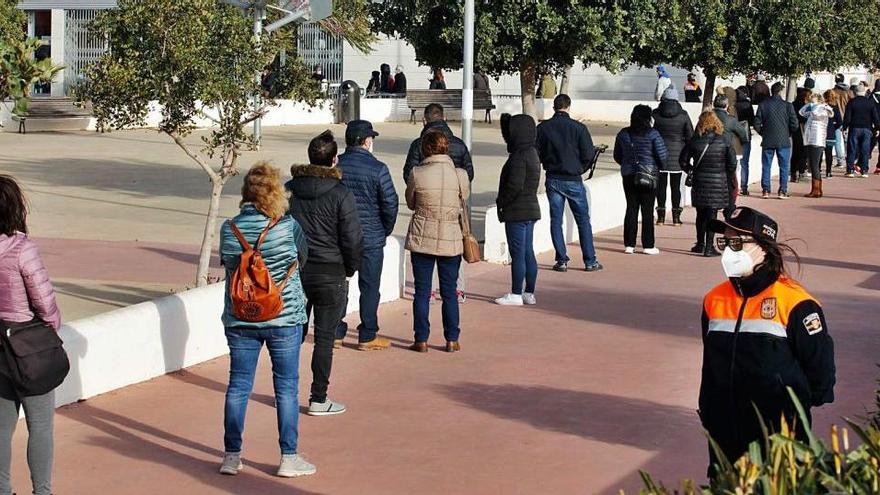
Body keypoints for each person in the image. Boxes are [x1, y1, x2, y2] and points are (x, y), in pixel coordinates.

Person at [699, 206, 835, 474]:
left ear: (763, 247)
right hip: (724, 431)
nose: (728, 250)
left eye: (736, 242)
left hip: (778, 435)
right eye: (724, 241)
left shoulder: (796, 303)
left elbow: (820, 369)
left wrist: (793, 412)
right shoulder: (713, 300)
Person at [219, 163, 314, 478]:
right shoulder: (287, 227)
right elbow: (302, 259)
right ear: (275, 193)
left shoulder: (229, 229)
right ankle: (288, 456)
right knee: (286, 387)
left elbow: (230, 265)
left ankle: (232, 456)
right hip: (283, 316)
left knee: (238, 385)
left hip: (241, 318)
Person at [287, 131, 363, 417]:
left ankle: (287, 391)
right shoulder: (341, 193)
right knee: (324, 338)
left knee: (293, 333)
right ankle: (318, 397)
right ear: (334, 159)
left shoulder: (289, 190)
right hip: (331, 273)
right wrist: (350, 268)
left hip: (297, 270)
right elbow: (353, 237)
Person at [0, 175, 61, 495]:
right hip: (27, 347)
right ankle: (42, 491)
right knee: (40, 426)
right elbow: (44, 300)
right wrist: (52, 330)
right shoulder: (22, 248)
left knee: (0, 427)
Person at [404, 131, 469, 353]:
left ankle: (421, 339)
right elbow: (465, 198)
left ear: (426, 149)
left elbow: (411, 202)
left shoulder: (417, 173)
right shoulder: (460, 175)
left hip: (423, 235)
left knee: (422, 292)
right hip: (450, 237)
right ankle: (452, 338)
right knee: (449, 291)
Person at [337, 120, 398, 351]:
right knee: (370, 286)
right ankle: (367, 334)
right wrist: (385, 229)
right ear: (366, 141)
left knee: (341, 282)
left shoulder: (337, 166)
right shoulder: (378, 169)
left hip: (342, 236)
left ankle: (336, 331)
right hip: (371, 237)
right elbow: (390, 203)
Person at [537, 94, 603, 271]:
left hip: (553, 177)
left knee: (555, 220)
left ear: (554, 107)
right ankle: (590, 260)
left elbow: (538, 152)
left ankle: (561, 260)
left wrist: (548, 163)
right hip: (573, 178)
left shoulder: (543, 128)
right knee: (583, 220)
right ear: (568, 106)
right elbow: (588, 154)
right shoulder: (579, 128)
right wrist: (579, 168)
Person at [494, 114, 541, 306]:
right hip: (530, 208)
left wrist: (502, 201)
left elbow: (514, 185)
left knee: (518, 253)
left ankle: (515, 293)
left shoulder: (518, 157)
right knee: (528, 251)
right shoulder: (532, 153)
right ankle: (528, 292)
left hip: (517, 210)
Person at [613, 104, 668, 255]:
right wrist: (658, 167)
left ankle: (629, 244)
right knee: (647, 209)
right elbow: (662, 155)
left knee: (631, 208)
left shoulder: (623, 134)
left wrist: (627, 164)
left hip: (629, 175)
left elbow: (617, 155)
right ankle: (648, 245)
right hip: (649, 175)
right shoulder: (653, 134)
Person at [681, 111, 736, 257]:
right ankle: (709, 247)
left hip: (700, 181)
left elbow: (683, 161)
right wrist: (725, 174)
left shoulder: (694, 141)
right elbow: (732, 163)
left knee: (700, 213)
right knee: (712, 214)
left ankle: (700, 244)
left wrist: (692, 170)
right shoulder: (724, 140)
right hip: (718, 182)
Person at [652, 86, 693, 226]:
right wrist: (688, 156)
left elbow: (650, 134)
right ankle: (676, 217)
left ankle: (661, 217)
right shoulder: (683, 115)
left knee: (661, 187)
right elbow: (690, 136)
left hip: (660, 155)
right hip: (678, 156)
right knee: (676, 187)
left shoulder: (655, 114)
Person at [404, 104, 475, 184]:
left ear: (424, 121)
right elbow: (469, 173)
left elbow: (409, 174)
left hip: (425, 193)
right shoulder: (459, 144)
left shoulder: (417, 144)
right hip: (454, 193)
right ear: (444, 119)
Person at [754, 82, 799, 199]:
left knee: (766, 166)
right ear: (780, 92)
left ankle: (766, 190)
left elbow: (757, 123)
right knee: (784, 166)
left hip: (768, 139)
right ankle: (782, 191)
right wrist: (788, 133)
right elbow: (794, 124)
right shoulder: (788, 106)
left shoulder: (763, 105)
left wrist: (763, 133)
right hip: (783, 140)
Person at [799, 93, 833, 198]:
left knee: (814, 165)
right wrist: (809, 105)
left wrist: (815, 106)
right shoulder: (813, 108)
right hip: (810, 139)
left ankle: (816, 189)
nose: (810, 100)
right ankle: (816, 189)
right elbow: (801, 112)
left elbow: (816, 115)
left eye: (812, 99)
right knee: (812, 165)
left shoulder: (823, 109)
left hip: (817, 141)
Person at [843, 83, 880, 178]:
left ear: (855, 92)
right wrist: (877, 128)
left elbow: (847, 117)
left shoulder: (851, 102)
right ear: (864, 92)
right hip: (867, 129)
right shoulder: (870, 103)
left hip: (854, 128)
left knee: (852, 149)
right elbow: (875, 117)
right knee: (865, 150)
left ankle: (850, 170)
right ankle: (864, 170)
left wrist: (844, 127)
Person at [734, 86, 756, 196]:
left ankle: (733, 186)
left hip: (734, 136)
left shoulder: (732, 105)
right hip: (746, 135)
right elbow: (752, 120)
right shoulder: (748, 105)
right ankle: (744, 187)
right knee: (744, 163)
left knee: (733, 162)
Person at [790, 87, 812, 183]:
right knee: (803, 151)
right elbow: (804, 118)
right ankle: (802, 172)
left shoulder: (793, 104)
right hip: (803, 129)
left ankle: (793, 173)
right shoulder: (805, 106)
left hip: (795, 130)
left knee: (795, 152)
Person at [822, 90, 844, 179]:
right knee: (829, 153)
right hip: (831, 133)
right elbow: (840, 121)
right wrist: (835, 126)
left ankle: (817, 170)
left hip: (822, 132)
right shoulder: (835, 108)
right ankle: (828, 172)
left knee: (820, 153)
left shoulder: (822, 107)